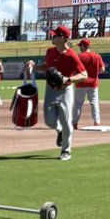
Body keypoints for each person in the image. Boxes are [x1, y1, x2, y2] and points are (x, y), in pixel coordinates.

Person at [43, 26, 86, 160]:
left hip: (65, 90)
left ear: (62, 38)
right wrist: (33, 67)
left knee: (67, 122)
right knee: (49, 121)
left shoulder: (71, 55)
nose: (52, 37)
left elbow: (84, 74)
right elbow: (46, 67)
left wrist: (69, 79)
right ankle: (59, 131)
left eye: (55, 35)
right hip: (50, 89)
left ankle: (66, 151)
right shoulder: (50, 52)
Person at [72, 38, 104, 127]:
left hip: (80, 83)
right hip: (93, 83)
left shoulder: (78, 56)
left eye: (80, 46)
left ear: (83, 46)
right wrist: (94, 74)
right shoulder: (97, 56)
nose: (79, 47)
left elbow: (74, 70)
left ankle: (74, 123)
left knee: (78, 104)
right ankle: (96, 122)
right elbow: (102, 69)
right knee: (94, 103)